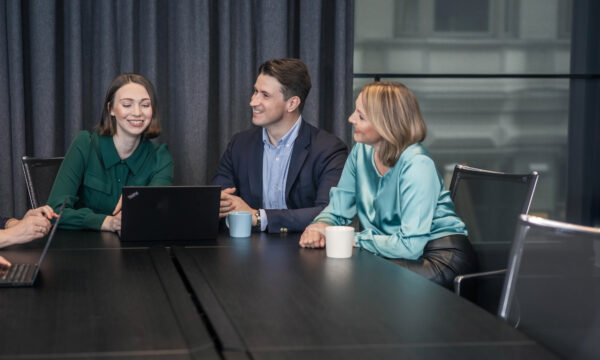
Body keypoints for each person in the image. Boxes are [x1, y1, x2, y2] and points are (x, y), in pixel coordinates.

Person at [300, 81, 473, 283]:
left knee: (353, 275)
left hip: (440, 256)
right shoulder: (360, 152)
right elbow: (338, 209)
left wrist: (346, 238)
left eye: (361, 116)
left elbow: (410, 245)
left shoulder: (418, 164)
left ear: (386, 123)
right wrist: (320, 225)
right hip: (395, 251)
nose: (350, 118)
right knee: (334, 266)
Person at [212, 58, 348, 233]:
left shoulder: (329, 148)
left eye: (265, 95)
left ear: (292, 103)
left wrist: (258, 217)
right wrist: (221, 203)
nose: (253, 101)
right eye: (255, 91)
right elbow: (221, 200)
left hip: (305, 252)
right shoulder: (239, 144)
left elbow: (329, 213)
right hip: (245, 251)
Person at [47, 73, 173, 232]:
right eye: (127, 104)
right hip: (83, 248)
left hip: (134, 250)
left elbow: (157, 213)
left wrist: (141, 200)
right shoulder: (85, 144)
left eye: (145, 105)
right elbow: (54, 212)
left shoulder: (161, 156)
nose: (137, 112)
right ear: (111, 109)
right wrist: (104, 222)